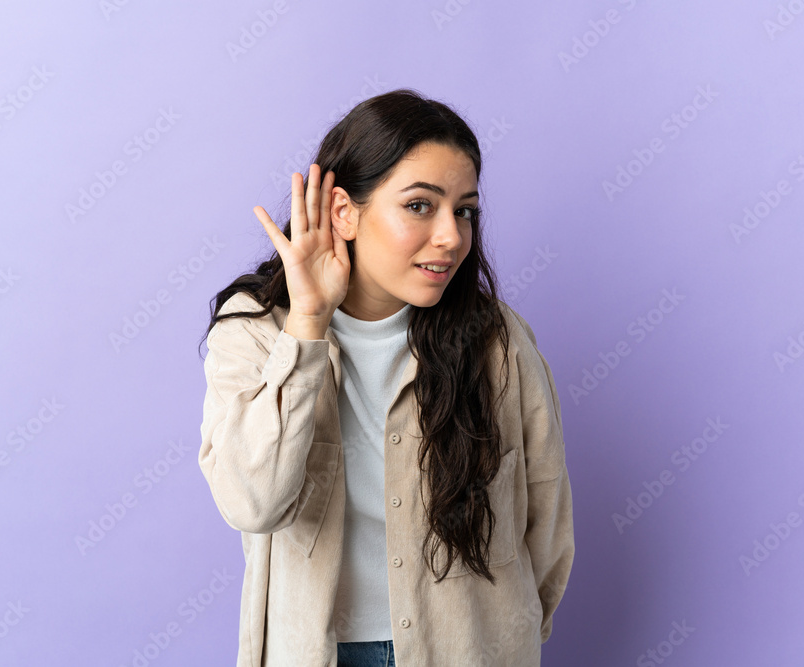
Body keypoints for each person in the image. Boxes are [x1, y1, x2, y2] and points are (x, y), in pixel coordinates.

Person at [198, 88, 574, 667]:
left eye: (464, 210)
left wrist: (508, 636)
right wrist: (307, 327)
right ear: (345, 212)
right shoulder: (254, 331)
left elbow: (546, 521)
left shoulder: (498, 341)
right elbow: (255, 502)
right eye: (421, 205)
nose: (451, 235)